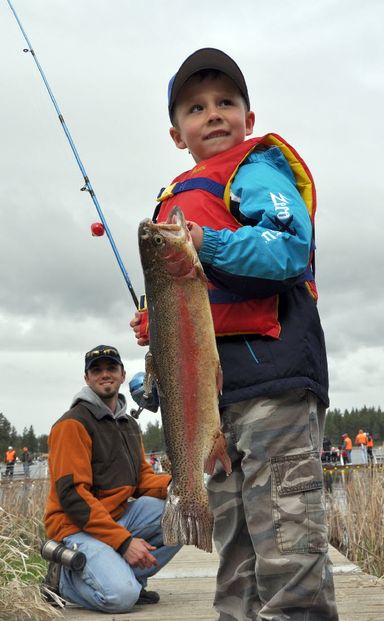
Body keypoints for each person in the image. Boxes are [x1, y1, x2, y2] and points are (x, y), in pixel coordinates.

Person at [130, 48, 338, 620]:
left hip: (275, 388)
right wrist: (155, 363)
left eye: (227, 102)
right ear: (178, 134)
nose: (214, 114)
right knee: (237, 560)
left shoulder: (257, 171)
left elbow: (289, 249)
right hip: (215, 411)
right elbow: (194, 333)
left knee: (289, 552)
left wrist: (209, 244)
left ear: (249, 118)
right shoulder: (181, 199)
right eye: (196, 107)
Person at [43, 345, 181, 613]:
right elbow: (73, 497)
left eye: (111, 368)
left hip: (114, 518)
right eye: (96, 370)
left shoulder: (128, 424)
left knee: (183, 512)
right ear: (87, 379)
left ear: (122, 374)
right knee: (119, 598)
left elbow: (143, 481)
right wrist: (124, 542)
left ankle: (131, 578)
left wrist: (181, 487)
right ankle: (62, 580)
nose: (104, 374)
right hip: (76, 526)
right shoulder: (72, 424)